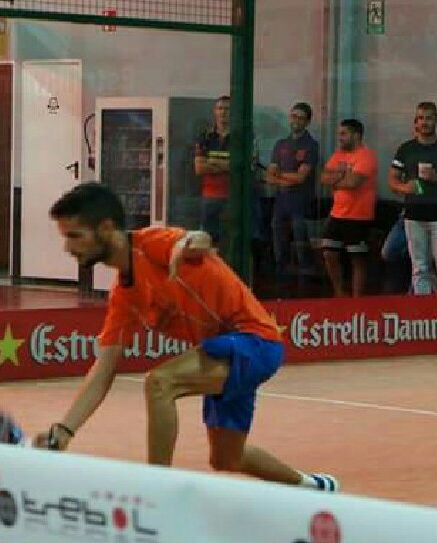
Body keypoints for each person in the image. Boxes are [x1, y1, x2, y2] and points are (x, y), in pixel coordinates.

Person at [35, 182, 339, 492]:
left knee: (160, 383)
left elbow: (196, 240)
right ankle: (315, 486)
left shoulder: (150, 244)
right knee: (227, 458)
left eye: (75, 235)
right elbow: (103, 370)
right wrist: (64, 431)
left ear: (105, 228)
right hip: (222, 352)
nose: (68, 247)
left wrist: (189, 243)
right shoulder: (124, 296)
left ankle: (157, 491)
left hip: (255, 342)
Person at [388, 101, 437, 294]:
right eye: (421, 118)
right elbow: (392, 180)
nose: (425, 122)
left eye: (429, 118)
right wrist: (404, 187)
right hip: (414, 215)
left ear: (436, 120)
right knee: (419, 267)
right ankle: (422, 307)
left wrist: (436, 178)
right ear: (416, 121)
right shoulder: (406, 149)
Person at [320, 119, 378, 297]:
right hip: (337, 214)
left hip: (358, 216)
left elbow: (353, 182)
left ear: (356, 135)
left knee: (357, 259)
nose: (340, 138)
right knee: (329, 253)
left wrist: (336, 178)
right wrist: (342, 176)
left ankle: (357, 299)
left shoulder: (366, 156)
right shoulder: (338, 155)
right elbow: (323, 178)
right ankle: (339, 293)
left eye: (344, 134)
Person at [266, 102, 318, 282]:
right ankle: (280, 281)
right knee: (278, 244)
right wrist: (285, 178)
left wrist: (279, 176)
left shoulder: (310, 145)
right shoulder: (281, 144)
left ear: (307, 121)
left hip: (300, 202)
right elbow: (269, 175)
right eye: (294, 116)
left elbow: (301, 177)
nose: (296, 120)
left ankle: (305, 284)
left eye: (301, 118)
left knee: (301, 243)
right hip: (281, 201)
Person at [194, 95, 231, 250]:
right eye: (220, 108)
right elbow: (199, 168)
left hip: (233, 198)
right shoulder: (205, 136)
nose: (223, 112)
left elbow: (242, 166)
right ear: (215, 111)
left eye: (227, 109)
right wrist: (227, 165)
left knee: (230, 243)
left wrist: (212, 162)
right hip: (210, 197)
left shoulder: (242, 137)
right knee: (206, 243)